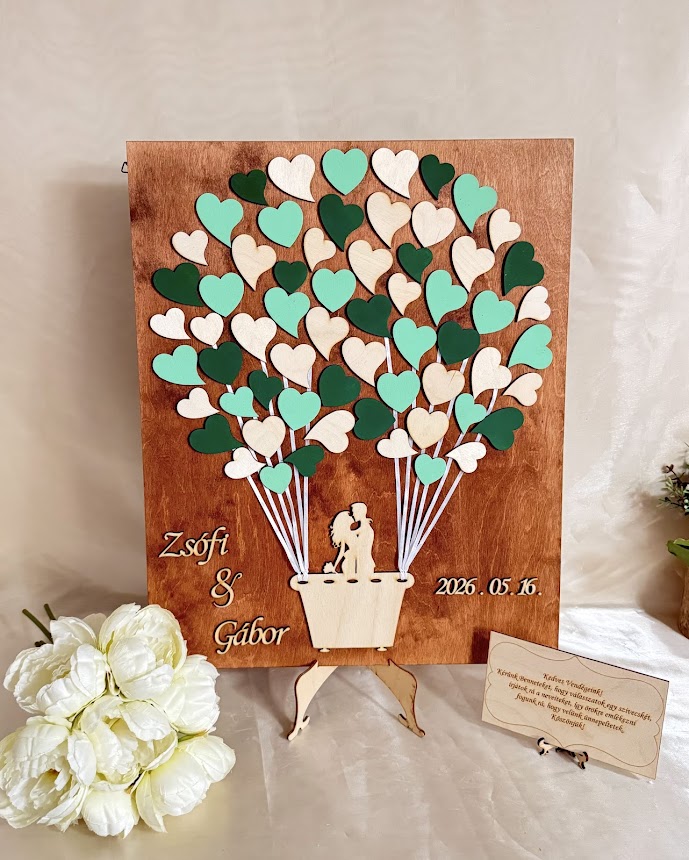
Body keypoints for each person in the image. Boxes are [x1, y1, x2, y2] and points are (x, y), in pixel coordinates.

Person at [323, 503, 375, 578]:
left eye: (354, 512)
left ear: (359, 512)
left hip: (362, 563)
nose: (353, 515)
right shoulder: (355, 531)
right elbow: (341, 552)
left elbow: (359, 532)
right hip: (353, 563)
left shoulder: (364, 528)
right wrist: (334, 567)